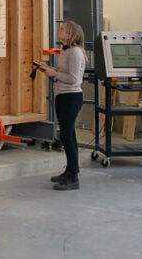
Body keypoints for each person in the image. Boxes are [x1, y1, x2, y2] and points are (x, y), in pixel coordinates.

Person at [37, 20, 87, 191]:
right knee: (68, 135)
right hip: (62, 95)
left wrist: (54, 73)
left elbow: (75, 79)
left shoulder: (75, 52)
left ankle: (73, 176)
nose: (59, 30)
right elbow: (64, 73)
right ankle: (70, 170)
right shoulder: (66, 51)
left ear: (69, 34)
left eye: (62, 29)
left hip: (70, 96)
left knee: (67, 136)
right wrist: (48, 70)